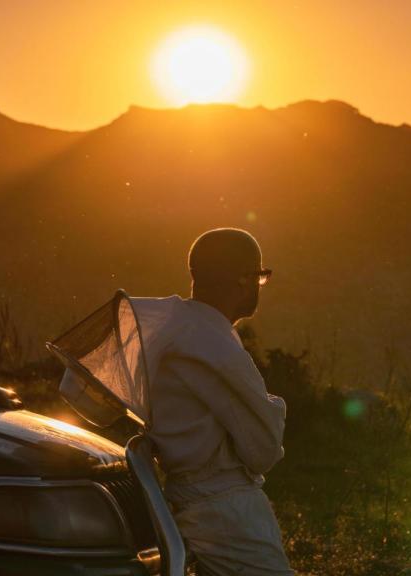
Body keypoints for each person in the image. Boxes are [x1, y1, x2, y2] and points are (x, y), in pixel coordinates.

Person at [132, 227, 292, 576]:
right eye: (260, 276)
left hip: (189, 498)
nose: (259, 286)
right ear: (242, 280)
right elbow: (264, 451)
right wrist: (275, 406)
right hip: (226, 509)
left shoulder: (171, 327)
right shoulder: (215, 348)